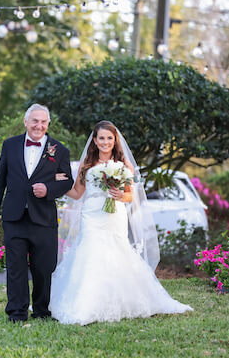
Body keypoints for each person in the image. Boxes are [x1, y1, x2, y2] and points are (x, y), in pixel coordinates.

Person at [49, 120, 192, 325]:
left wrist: (118, 194)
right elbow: (77, 193)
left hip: (114, 215)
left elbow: (129, 196)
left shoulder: (124, 164)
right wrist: (59, 183)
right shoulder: (87, 164)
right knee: (90, 252)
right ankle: (84, 303)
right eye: (101, 138)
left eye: (109, 138)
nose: (105, 142)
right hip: (91, 214)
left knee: (116, 252)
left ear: (115, 140)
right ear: (95, 141)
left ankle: (122, 300)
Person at [0, 104, 74, 322]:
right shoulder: (10, 145)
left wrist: (48, 190)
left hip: (43, 218)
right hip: (14, 216)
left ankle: (42, 311)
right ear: (26, 122)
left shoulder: (60, 150)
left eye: (43, 121)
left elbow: (67, 182)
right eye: (35, 121)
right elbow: (0, 181)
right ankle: (16, 312)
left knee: (43, 268)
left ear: (48, 124)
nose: (39, 125)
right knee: (15, 267)